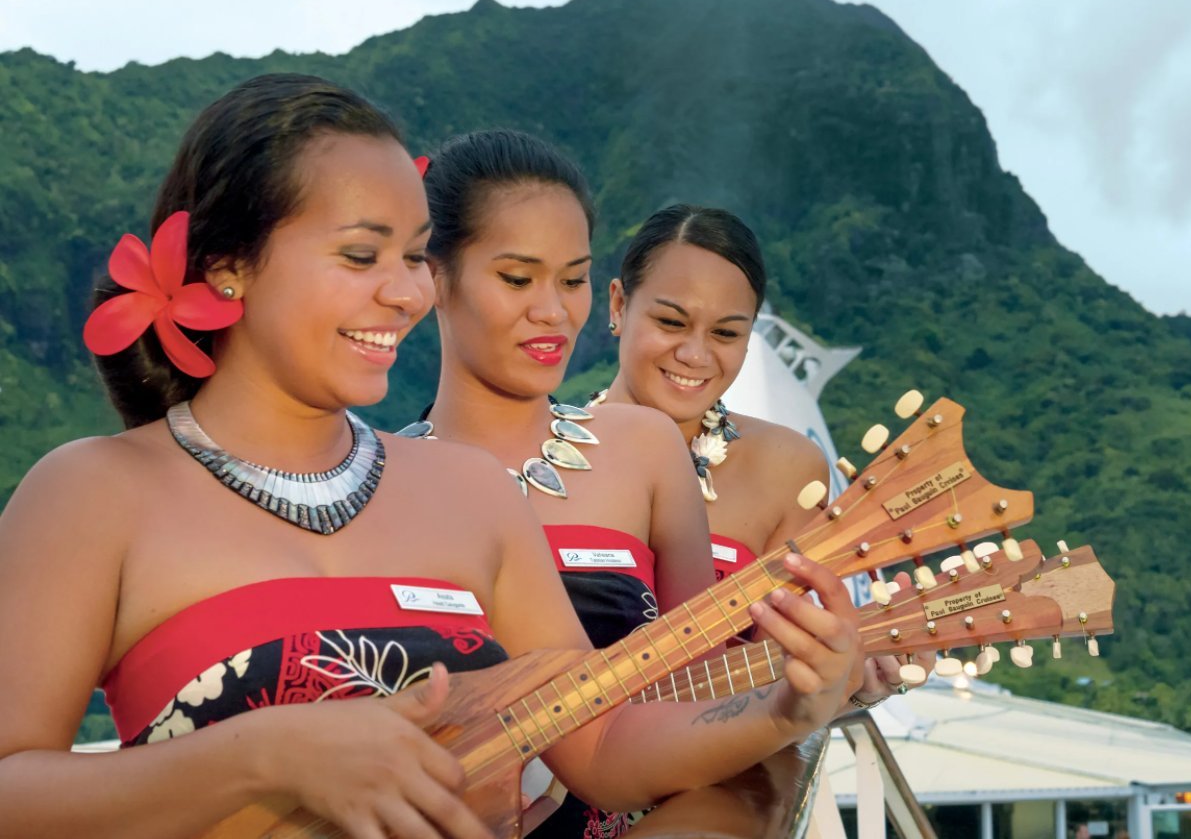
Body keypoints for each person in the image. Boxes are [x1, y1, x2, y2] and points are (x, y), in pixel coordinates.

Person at [0, 76, 862, 839]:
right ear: (229, 269)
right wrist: (257, 756)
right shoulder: (91, 494)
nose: (408, 290)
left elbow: (598, 741)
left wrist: (787, 703)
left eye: (414, 255)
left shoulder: (469, 490)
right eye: (361, 255)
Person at [410, 130, 864, 836]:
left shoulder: (646, 451)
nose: (554, 311)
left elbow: (696, 689)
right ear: (431, 276)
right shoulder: (379, 477)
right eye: (516, 277)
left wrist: (801, 697)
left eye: (569, 279)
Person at [596, 203, 929, 709]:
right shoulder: (537, 456)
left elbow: (768, 690)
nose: (695, 354)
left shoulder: (787, 470)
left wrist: (852, 686)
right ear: (619, 305)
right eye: (670, 321)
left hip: (703, 781)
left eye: (726, 333)